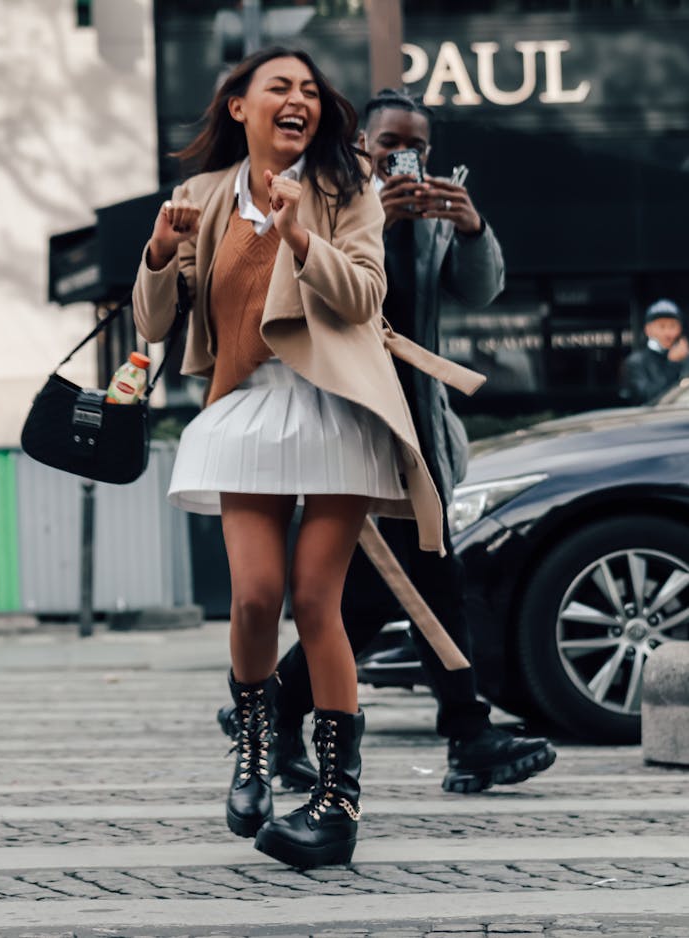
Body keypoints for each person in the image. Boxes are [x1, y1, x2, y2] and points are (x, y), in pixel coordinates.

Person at [132, 53, 452, 869]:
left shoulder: (349, 190)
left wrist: (299, 230)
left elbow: (364, 296)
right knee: (253, 600)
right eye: (280, 87)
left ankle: (337, 806)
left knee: (317, 602)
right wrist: (161, 255)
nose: (299, 100)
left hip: (339, 407)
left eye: (310, 91)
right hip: (246, 409)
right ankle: (255, 746)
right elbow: (158, 323)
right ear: (238, 106)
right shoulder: (204, 198)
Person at [219, 88, 556, 796]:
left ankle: (274, 712)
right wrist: (371, 226)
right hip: (353, 425)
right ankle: (466, 734)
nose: (405, 157)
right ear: (360, 146)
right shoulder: (330, 205)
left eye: (418, 146)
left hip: (418, 430)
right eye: (389, 143)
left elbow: (480, 291)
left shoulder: (437, 215)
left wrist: (472, 229)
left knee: (380, 593)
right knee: (423, 581)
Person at [622, 299, 689, 404]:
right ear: (648, 330)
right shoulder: (636, 362)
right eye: (661, 327)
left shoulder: (686, 358)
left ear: (680, 329)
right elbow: (646, 398)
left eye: (673, 326)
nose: (668, 333)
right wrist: (672, 365)